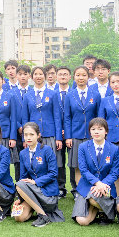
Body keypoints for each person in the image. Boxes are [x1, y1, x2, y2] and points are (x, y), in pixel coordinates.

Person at [13, 122, 64, 226]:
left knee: (19, 184)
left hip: (48, 194)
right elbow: (23, 177)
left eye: (31, 134)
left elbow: (53, 173)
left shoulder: (47, 150)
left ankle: (42, 215)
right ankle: (41, 213)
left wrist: (35, 182)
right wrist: (20, 198)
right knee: (19, 217)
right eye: (26, 134)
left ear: (38, 135)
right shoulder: (23, 153)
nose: (28, 137)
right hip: (33, 194)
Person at [72, 118, 119, 226]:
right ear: (90, 131)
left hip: (106, 187)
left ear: (106, 131)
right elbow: (83, 170)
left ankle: (101, 209)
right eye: (93, 129)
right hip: (87, 186)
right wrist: (97, 183)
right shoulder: (83, 147)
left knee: (94, 199)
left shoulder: (114, 149)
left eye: (100, 129)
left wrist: (102, 185)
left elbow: (114, 173)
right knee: (82, 221)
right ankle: (101, 209)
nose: (96, 132)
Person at [63, 66, 101, 197]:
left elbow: (99, 117)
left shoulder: (95, 95)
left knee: (92, 164)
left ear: (88, 77)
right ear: (74, 77)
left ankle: (93, 191)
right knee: (77, 165)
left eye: (84, 75)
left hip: (92, 136)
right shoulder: (70, 95)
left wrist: (98, 134)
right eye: (78, 75)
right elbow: (67, 117)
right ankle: (79, 192)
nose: (81, 78)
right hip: (76, 135)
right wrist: (68, 137)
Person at [20, 66, 62, 183]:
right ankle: (35, 184)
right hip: (33, 135)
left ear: (45, 76)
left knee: (52, 161)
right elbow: (25, 118)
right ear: (31, 77)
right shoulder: (27, 95)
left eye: (41, 74)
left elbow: (57, 116)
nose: (38, 76)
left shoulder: (53, 94)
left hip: (49, 133)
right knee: (36, 162)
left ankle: (57, 187)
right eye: (36, 74)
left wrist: (58, 137)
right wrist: (25, 138)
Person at [55, 66, 72, 196]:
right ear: (56, 77)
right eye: (60, 74)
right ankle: (60, 187)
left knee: (73, 161)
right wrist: (59, 131)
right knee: (59, 161)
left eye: (65, 74)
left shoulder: (74, 93)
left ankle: (76, 188)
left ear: (70, 77)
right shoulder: (52, 94)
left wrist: (67, 130)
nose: (63, 76)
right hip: (57, 132)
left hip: (72, 132)